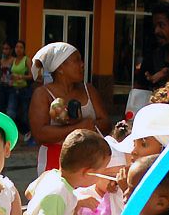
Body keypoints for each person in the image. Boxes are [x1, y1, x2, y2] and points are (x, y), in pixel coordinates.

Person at [24, 128, 109, 215]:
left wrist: (76, 203)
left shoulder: (51, 174)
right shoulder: (58, 192)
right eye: (103, 171)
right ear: (88, 173)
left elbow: (29, 193)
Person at [28, 42, 110, 174]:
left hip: (90, 161)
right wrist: (78, 128)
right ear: (60, 68)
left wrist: (91, 125)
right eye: (76, 60)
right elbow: (40, 134)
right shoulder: (43, 94)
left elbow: (106, 122)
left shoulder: (89, 89)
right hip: (54, 163)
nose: (82, 64)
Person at [7, 39, 32, 136]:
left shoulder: (26, 60)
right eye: (17, 47)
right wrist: (11, 79)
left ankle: (26, 134)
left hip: (24, 89)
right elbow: (9, 73)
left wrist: (20, 77)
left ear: (24, 49)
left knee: (25, 115)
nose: (18, 49)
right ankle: (12, 133)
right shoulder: (13, 60)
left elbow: (32, 76)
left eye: (21, 47)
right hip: (13, 89)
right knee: (11, 112)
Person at [0, 41, 14, 122]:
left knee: (10, 108)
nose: (5, 51)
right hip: (2, 84)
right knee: (1, 106)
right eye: (3, 49)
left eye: (7, 49)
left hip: (11, 86)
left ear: (11, 50)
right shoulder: (2, 60)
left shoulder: (14, 60)